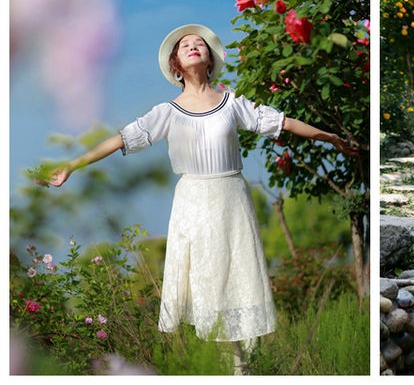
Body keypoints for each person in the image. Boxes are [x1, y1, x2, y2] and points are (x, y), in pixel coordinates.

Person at [40, 23, 357, 372]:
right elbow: (120, 140)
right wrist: (72, 164)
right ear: (175, 63)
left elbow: (280, 122)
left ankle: (242, 368)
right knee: (207, 285)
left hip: (231, 198)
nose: (193, 46)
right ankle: (225, 368)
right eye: (184, 45)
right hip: (193, 202)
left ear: (209, 58)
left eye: (199, 43)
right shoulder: (167, 113)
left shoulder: (232, 104)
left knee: (238, 280)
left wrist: (328, 137)